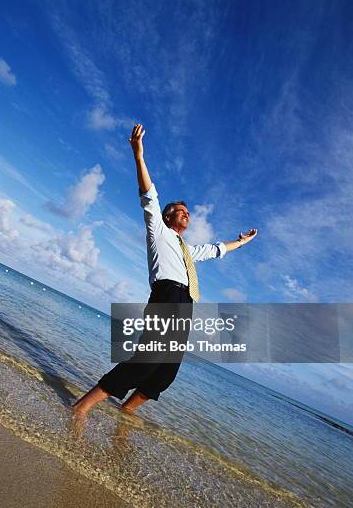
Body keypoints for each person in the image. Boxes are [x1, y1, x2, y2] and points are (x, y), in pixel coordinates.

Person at [72, 123, 257, 424]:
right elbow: (148, 195)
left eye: (188, 212)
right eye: (181, 211)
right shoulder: (158, 231)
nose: (187, 214)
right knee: (146, 361)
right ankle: (81, 408)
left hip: (186, 304)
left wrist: (242, 242)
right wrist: (138, 155)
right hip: (166, 295)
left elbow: (215, 249)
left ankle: (125, 415)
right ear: (168, 216)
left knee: (165, 373)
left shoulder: (188, 250)